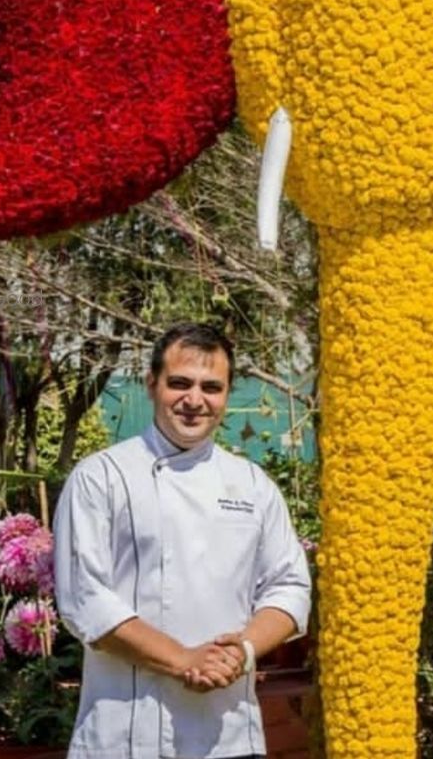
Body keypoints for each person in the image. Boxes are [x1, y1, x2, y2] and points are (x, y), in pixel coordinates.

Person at [53, 322, 312, 759]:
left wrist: (243, 651)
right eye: (179, 383)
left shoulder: (252, 484)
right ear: (151, 384)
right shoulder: (102, 477)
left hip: (229, 734)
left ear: (228, 395)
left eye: (211, 387)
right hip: (125, 736)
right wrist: (183, 659)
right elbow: (86, 600)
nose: (195, 400)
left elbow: (290, 588)